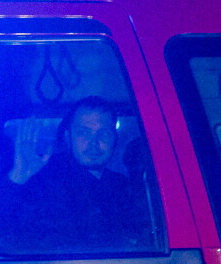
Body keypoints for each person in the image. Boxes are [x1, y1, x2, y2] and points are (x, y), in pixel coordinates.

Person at [14, 96, 152, 252]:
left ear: (115, 139)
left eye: (103, 133)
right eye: (84, 133)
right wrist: (16, 179)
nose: (93, 142)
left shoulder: (121, 185)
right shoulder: (46, 184)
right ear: (68, 138)